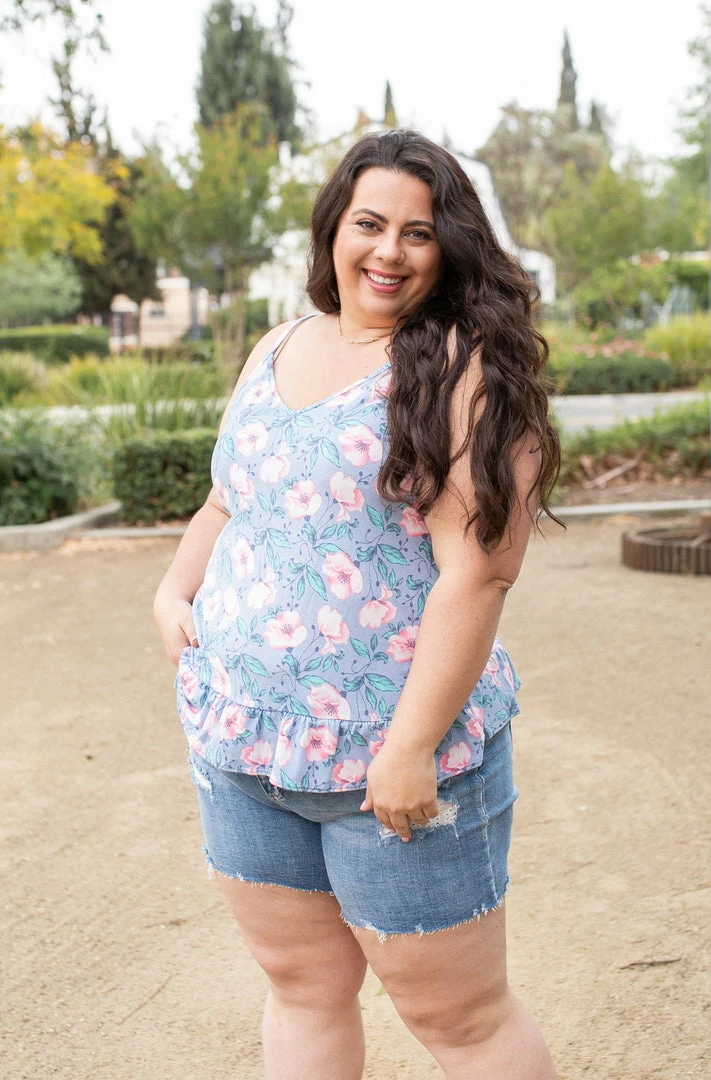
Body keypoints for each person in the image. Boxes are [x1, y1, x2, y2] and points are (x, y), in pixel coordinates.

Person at [154, 129, 560, 1080]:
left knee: (459, 1018)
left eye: (418, 233)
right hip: (241, 740)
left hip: (391, 764)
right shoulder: (276, 345)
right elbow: (229, 497)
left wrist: (412, 745)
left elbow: (479, 576)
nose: (388, 251)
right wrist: (174, 588)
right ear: (334, 228)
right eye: (368, 223)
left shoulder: (466, 374)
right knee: (301, 985)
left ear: (450, 248)